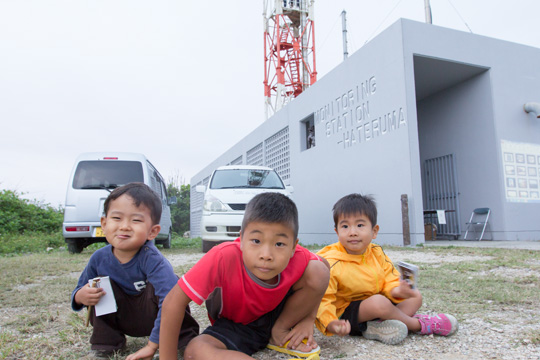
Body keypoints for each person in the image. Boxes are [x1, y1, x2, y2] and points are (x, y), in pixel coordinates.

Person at [160, 192, 330, 360]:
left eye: (279, 244)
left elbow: (324, 266)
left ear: (293, 247)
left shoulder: (298, 256)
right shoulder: (223, 257)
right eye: (256, 241)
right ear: (240, 239)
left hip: (282, 314)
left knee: (318, 270)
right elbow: (173, 302)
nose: (266, 255)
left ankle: (280, 333)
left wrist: (308, 318)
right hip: (236, 326)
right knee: (195, 350)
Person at [71, 182, 199, 359]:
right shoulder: (99, 258)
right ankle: (106, 343)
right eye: (117, 218)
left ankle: (182, 340)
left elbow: (170, 302)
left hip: (157, 318)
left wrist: (153, 344)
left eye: (136, 220)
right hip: (122, 316)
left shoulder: (152, 260)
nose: (124, 226)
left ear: (152, 231)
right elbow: (78, 290)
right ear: (104, 223)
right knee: (97, 285)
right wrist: (81, 296)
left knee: (173, 291)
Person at [315, 193, 458, 345]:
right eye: (345, 226)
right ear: (337, 232)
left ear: (374, 231)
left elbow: (389, 279)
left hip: (378, 306)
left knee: (415, 296)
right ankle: (418, 325)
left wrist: (398, 291)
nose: (352, 232)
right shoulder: (330, 262)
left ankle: (377, 327)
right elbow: (322, 299)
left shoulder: (376, 252)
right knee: (379, 302)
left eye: (360, 225)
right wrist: (331, 322)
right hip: (346, 314)